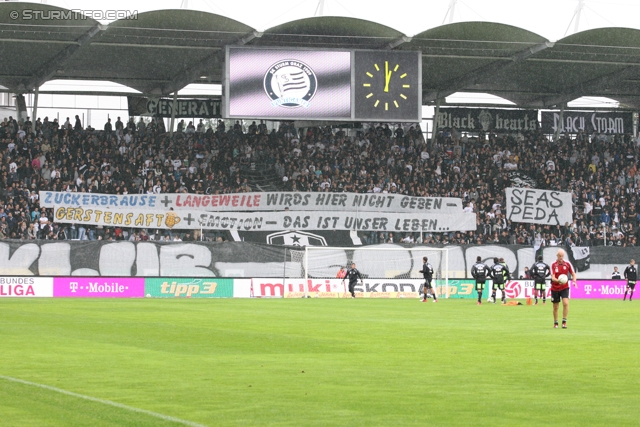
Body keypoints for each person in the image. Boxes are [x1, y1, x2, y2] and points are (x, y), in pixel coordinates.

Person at [550, 249, 577, 329]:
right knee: (555, 306)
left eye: (562, 256)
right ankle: (555, 322)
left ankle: (564, 322)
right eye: (560, 256)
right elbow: (553, 277)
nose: (561, 257)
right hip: (555, 287)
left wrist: (574, 281)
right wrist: (558, 280)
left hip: (564, 287)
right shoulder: (553, 264)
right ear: (557, 256)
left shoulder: (567, 264)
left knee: (565, 303)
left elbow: (573, 274)